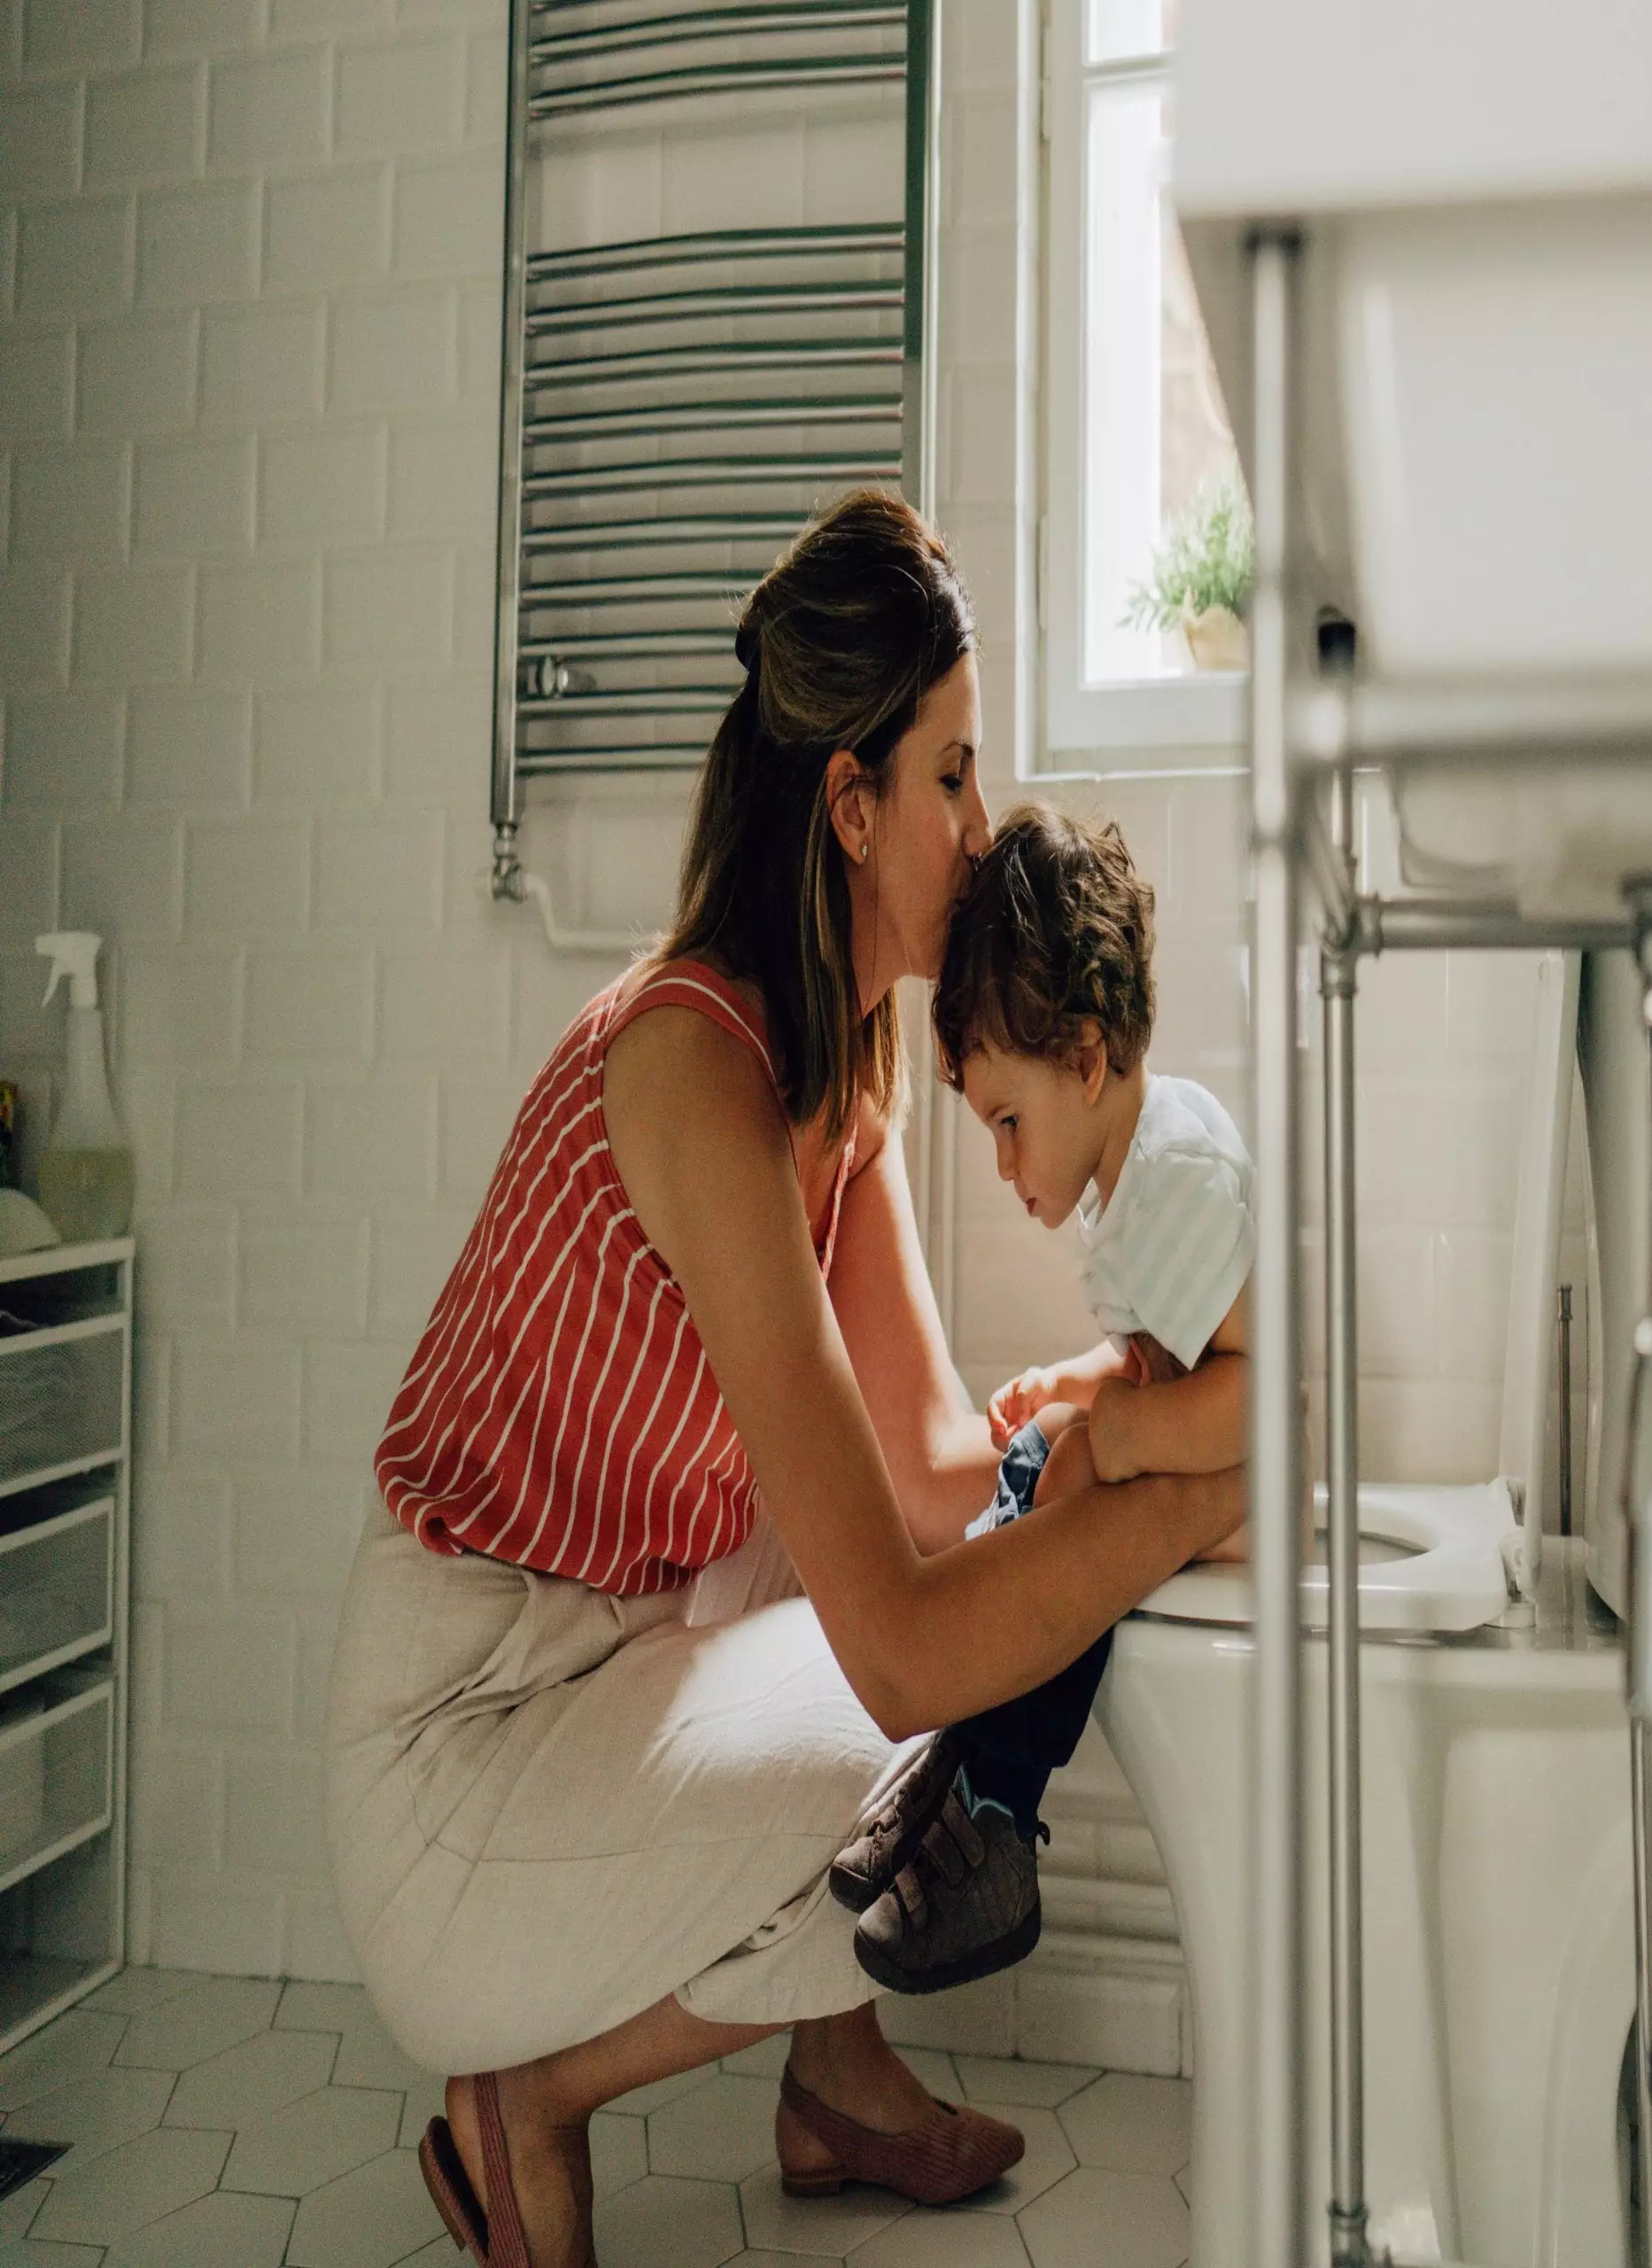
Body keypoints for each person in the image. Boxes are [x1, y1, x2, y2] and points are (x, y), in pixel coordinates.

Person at [324, 493, 1245, 2268]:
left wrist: (1117, 1414)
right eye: (952, 778)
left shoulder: (849, 1077)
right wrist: (1200, 1492)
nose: (980, 833)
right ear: (849, 804)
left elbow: (920, 1475)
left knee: (937, 1636)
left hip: (608, 1665)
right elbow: (904, 1637)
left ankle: (834, 2076)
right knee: (924, 1740)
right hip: (462, 1734)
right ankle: (532, 2093)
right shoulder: (691, 1068)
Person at [826, 805, 1253, 1997]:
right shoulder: (1146, 1161)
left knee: (1063, 1483)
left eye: (1009, 1127)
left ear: (1085, 1057)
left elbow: (1274, 1399)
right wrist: (1078, 1388)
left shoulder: (1172, 1177)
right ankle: (966, 1762)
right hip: (1218, 1466)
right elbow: (1176, 1348)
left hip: (1272, 1489)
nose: (1007, 1169)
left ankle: (994, 1813)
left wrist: (1118, 1432)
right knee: (1035, 1467)